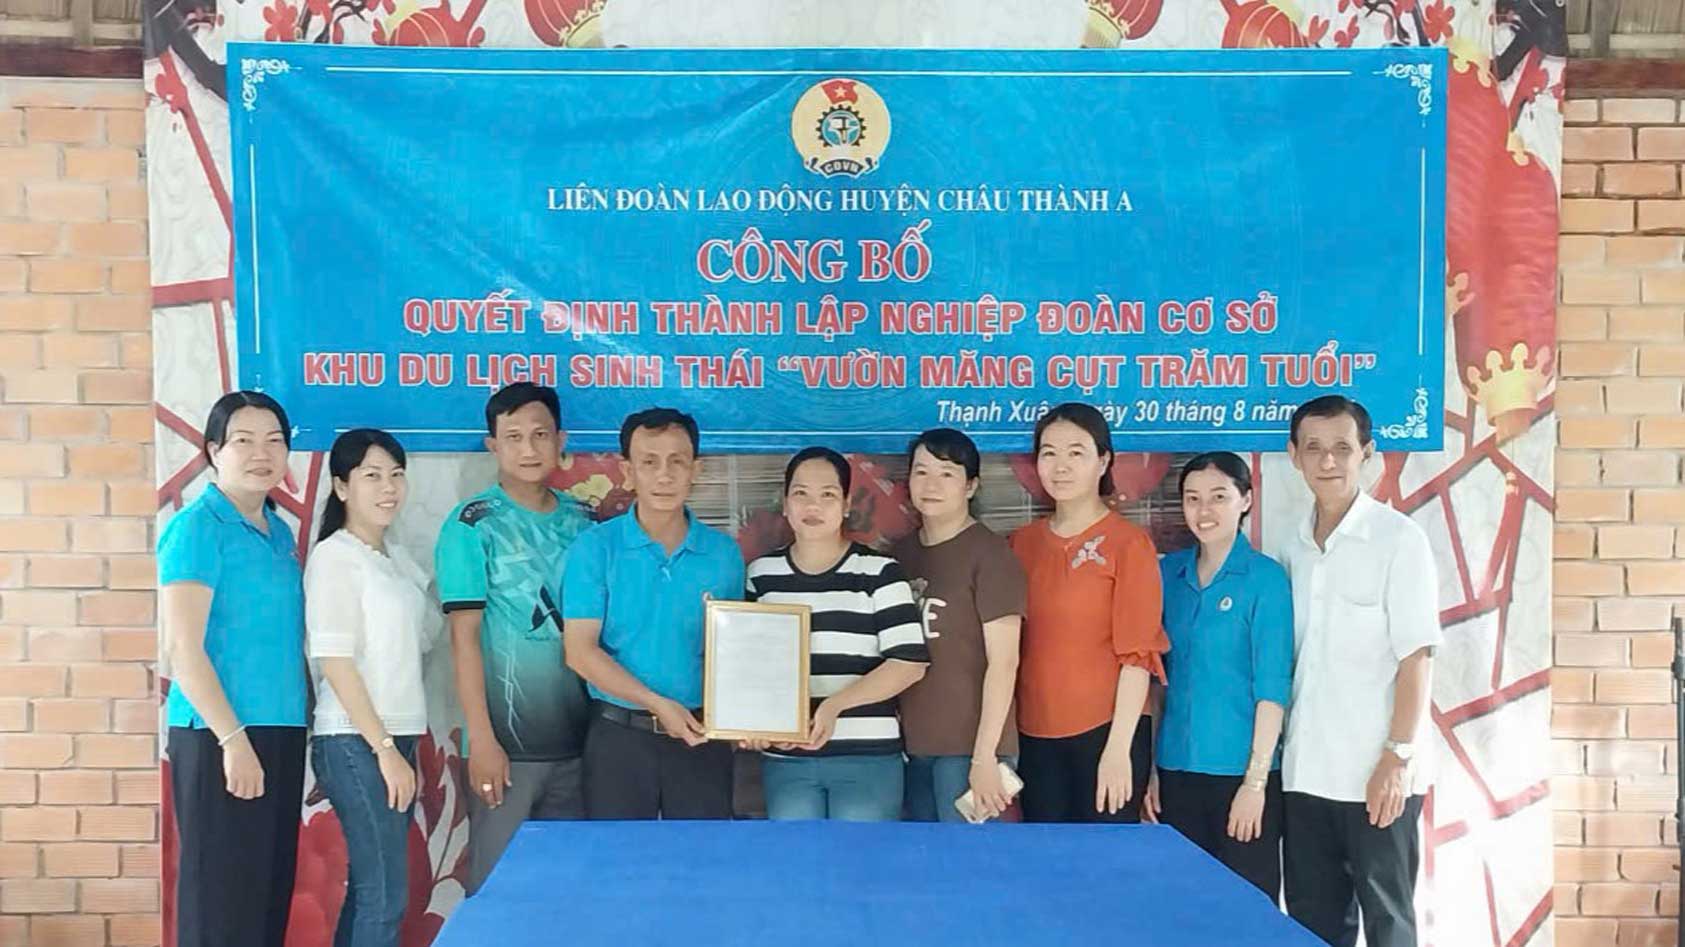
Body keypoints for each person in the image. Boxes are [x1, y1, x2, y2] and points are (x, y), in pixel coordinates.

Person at [1280, 395, 1439, 947]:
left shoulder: (1400, 541)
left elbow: (1416, 657)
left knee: (1388, 922)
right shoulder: (1292, 547)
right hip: (1305, 775)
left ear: (1367, 454)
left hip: (1377, 777)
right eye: (1314, 448)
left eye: (1343, 448)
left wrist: (1396, 758)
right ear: (1294, 455)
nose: (1328, 461)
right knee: (1312, 923)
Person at [159, 391, 307, 947]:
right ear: (214, 450)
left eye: (274, 440)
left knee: (264, 896)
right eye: (243, 440)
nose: (260, 453)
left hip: (281, 730)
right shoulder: (198, 527)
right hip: (220, 736)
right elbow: (184, 651)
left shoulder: (279, 532)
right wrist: (232, 739)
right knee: (219, 902)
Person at [435, 383, 592, 894]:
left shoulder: (586, 523)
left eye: (540, 435)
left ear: (560, 440)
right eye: (514, 436)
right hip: (506, 752)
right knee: (500, 896)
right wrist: (482, 740)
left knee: (568, 894)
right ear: (493, 446)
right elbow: (464, 638)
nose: (528, 449)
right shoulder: (472, 525)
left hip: (581, 748)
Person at [563, 408, 747, 819]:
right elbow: (579, 652)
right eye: (649, 462)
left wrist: (749, 717)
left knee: (701, 869)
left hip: (703, 738)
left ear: (696, 469)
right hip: (618, 739)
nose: (664, 475)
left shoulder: (724, 554)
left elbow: (734, 655)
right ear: (627, 471)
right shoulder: (595, 549)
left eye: (677, 461)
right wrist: (654, 702)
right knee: (619, 872)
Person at [743, 447, 930, 821]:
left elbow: (908, 663)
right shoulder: (762, 575)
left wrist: (834, 706)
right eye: (801, 494)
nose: (813, 506)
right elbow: (749, 665)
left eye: (827, 495)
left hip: (867, 758)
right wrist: (754, 724)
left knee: (860, 871)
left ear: (846, 504)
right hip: (787, 760)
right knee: (796, 869)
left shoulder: (879, 572)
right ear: (785, 503)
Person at [307, 429, 438, 946]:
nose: (389, 487)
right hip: (355, 741)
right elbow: (335, 662)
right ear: (341, 487)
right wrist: (384, 749)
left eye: (396, 474)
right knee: (385, 898)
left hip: (393, 737)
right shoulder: (335, 558)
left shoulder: (394, 558)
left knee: (371, 893)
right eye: (372, 475)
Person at [1009, 402, 1168, 823]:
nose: (1060, 466)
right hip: (1034, 734)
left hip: (1104, 733)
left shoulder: (1128, 544)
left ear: (1104, 461)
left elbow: (1138, 658)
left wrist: (1118, 751)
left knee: (1104, 873)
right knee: (1049, 869)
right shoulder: (1020, 545)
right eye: (1049, 452)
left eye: (1076, 452)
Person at [1142, 452, 1292, 899]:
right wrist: (1152, 770)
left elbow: (1272, 691)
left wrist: (1255, 783)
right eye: (1192, 499)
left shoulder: (1265, 579)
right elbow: (1157, 682)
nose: (1203, 511)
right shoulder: (1169, 574)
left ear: (1246, 500)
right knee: (1183, 904)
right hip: (1176, 771)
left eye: (1218, 497)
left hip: (1239, 777)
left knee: (1245, 908)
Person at [892, 428, 1026, 823]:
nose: (931, 484)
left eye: (947, 473)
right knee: (924, 872)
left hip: (971, 751)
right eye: (921, 472)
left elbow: (1005, 663)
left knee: (969, 874)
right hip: (913, 748)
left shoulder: (990, 555)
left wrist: (985, 757)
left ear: (971, 486)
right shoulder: (900, 556)